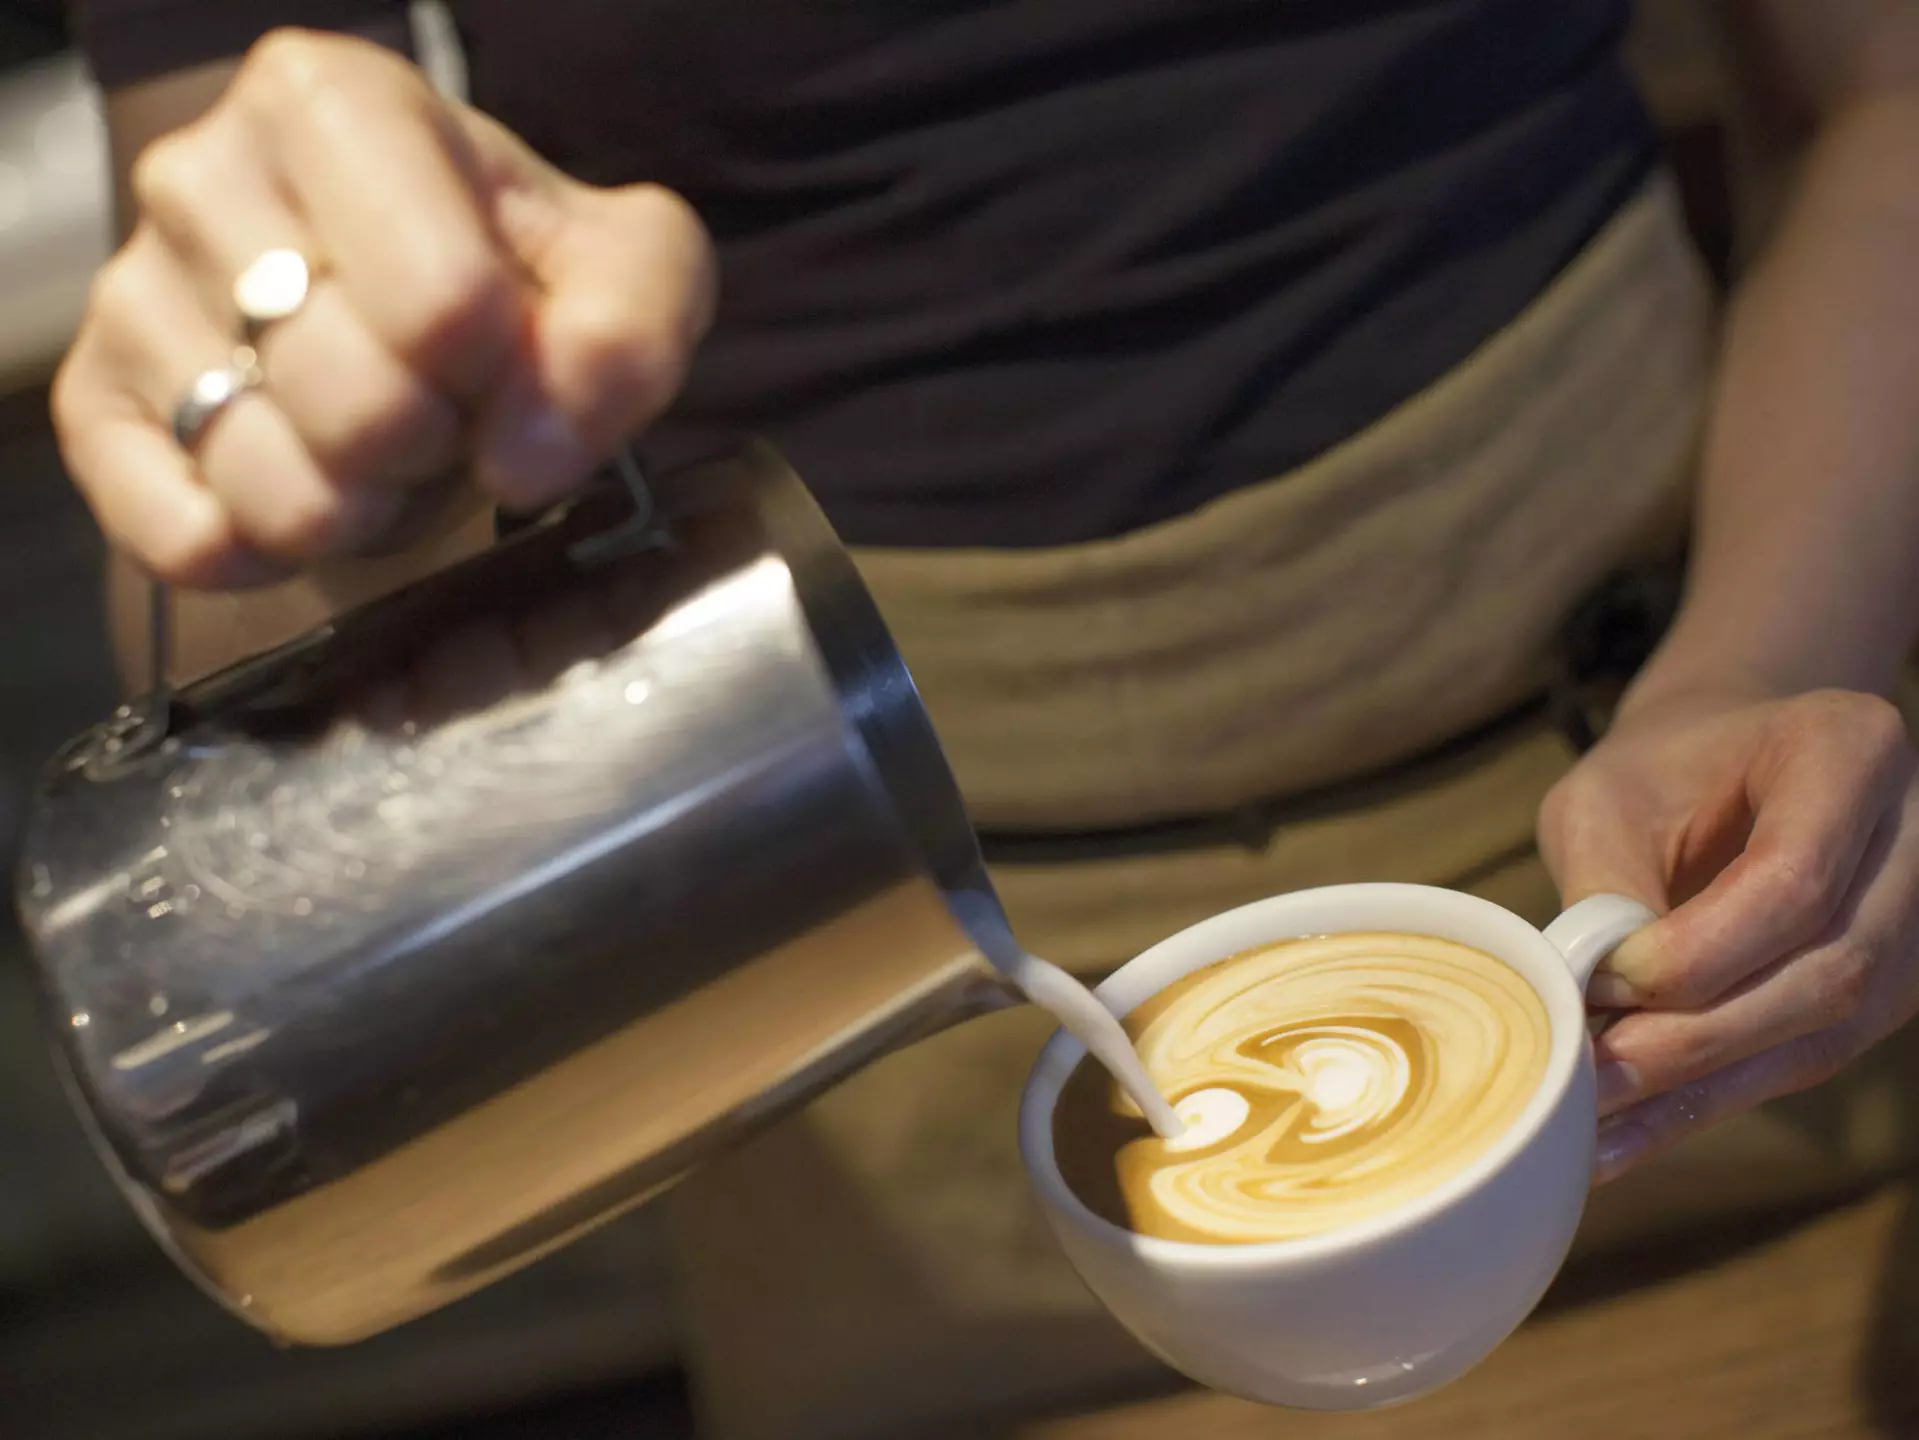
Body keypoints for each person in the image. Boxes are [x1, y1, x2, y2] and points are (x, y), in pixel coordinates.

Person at [53, 2, 1919, 1435]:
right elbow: (258, 551)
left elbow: (1879, 96)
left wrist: (1750, 669)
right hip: (813, 933)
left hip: (1670, 823)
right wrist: (313, 435)